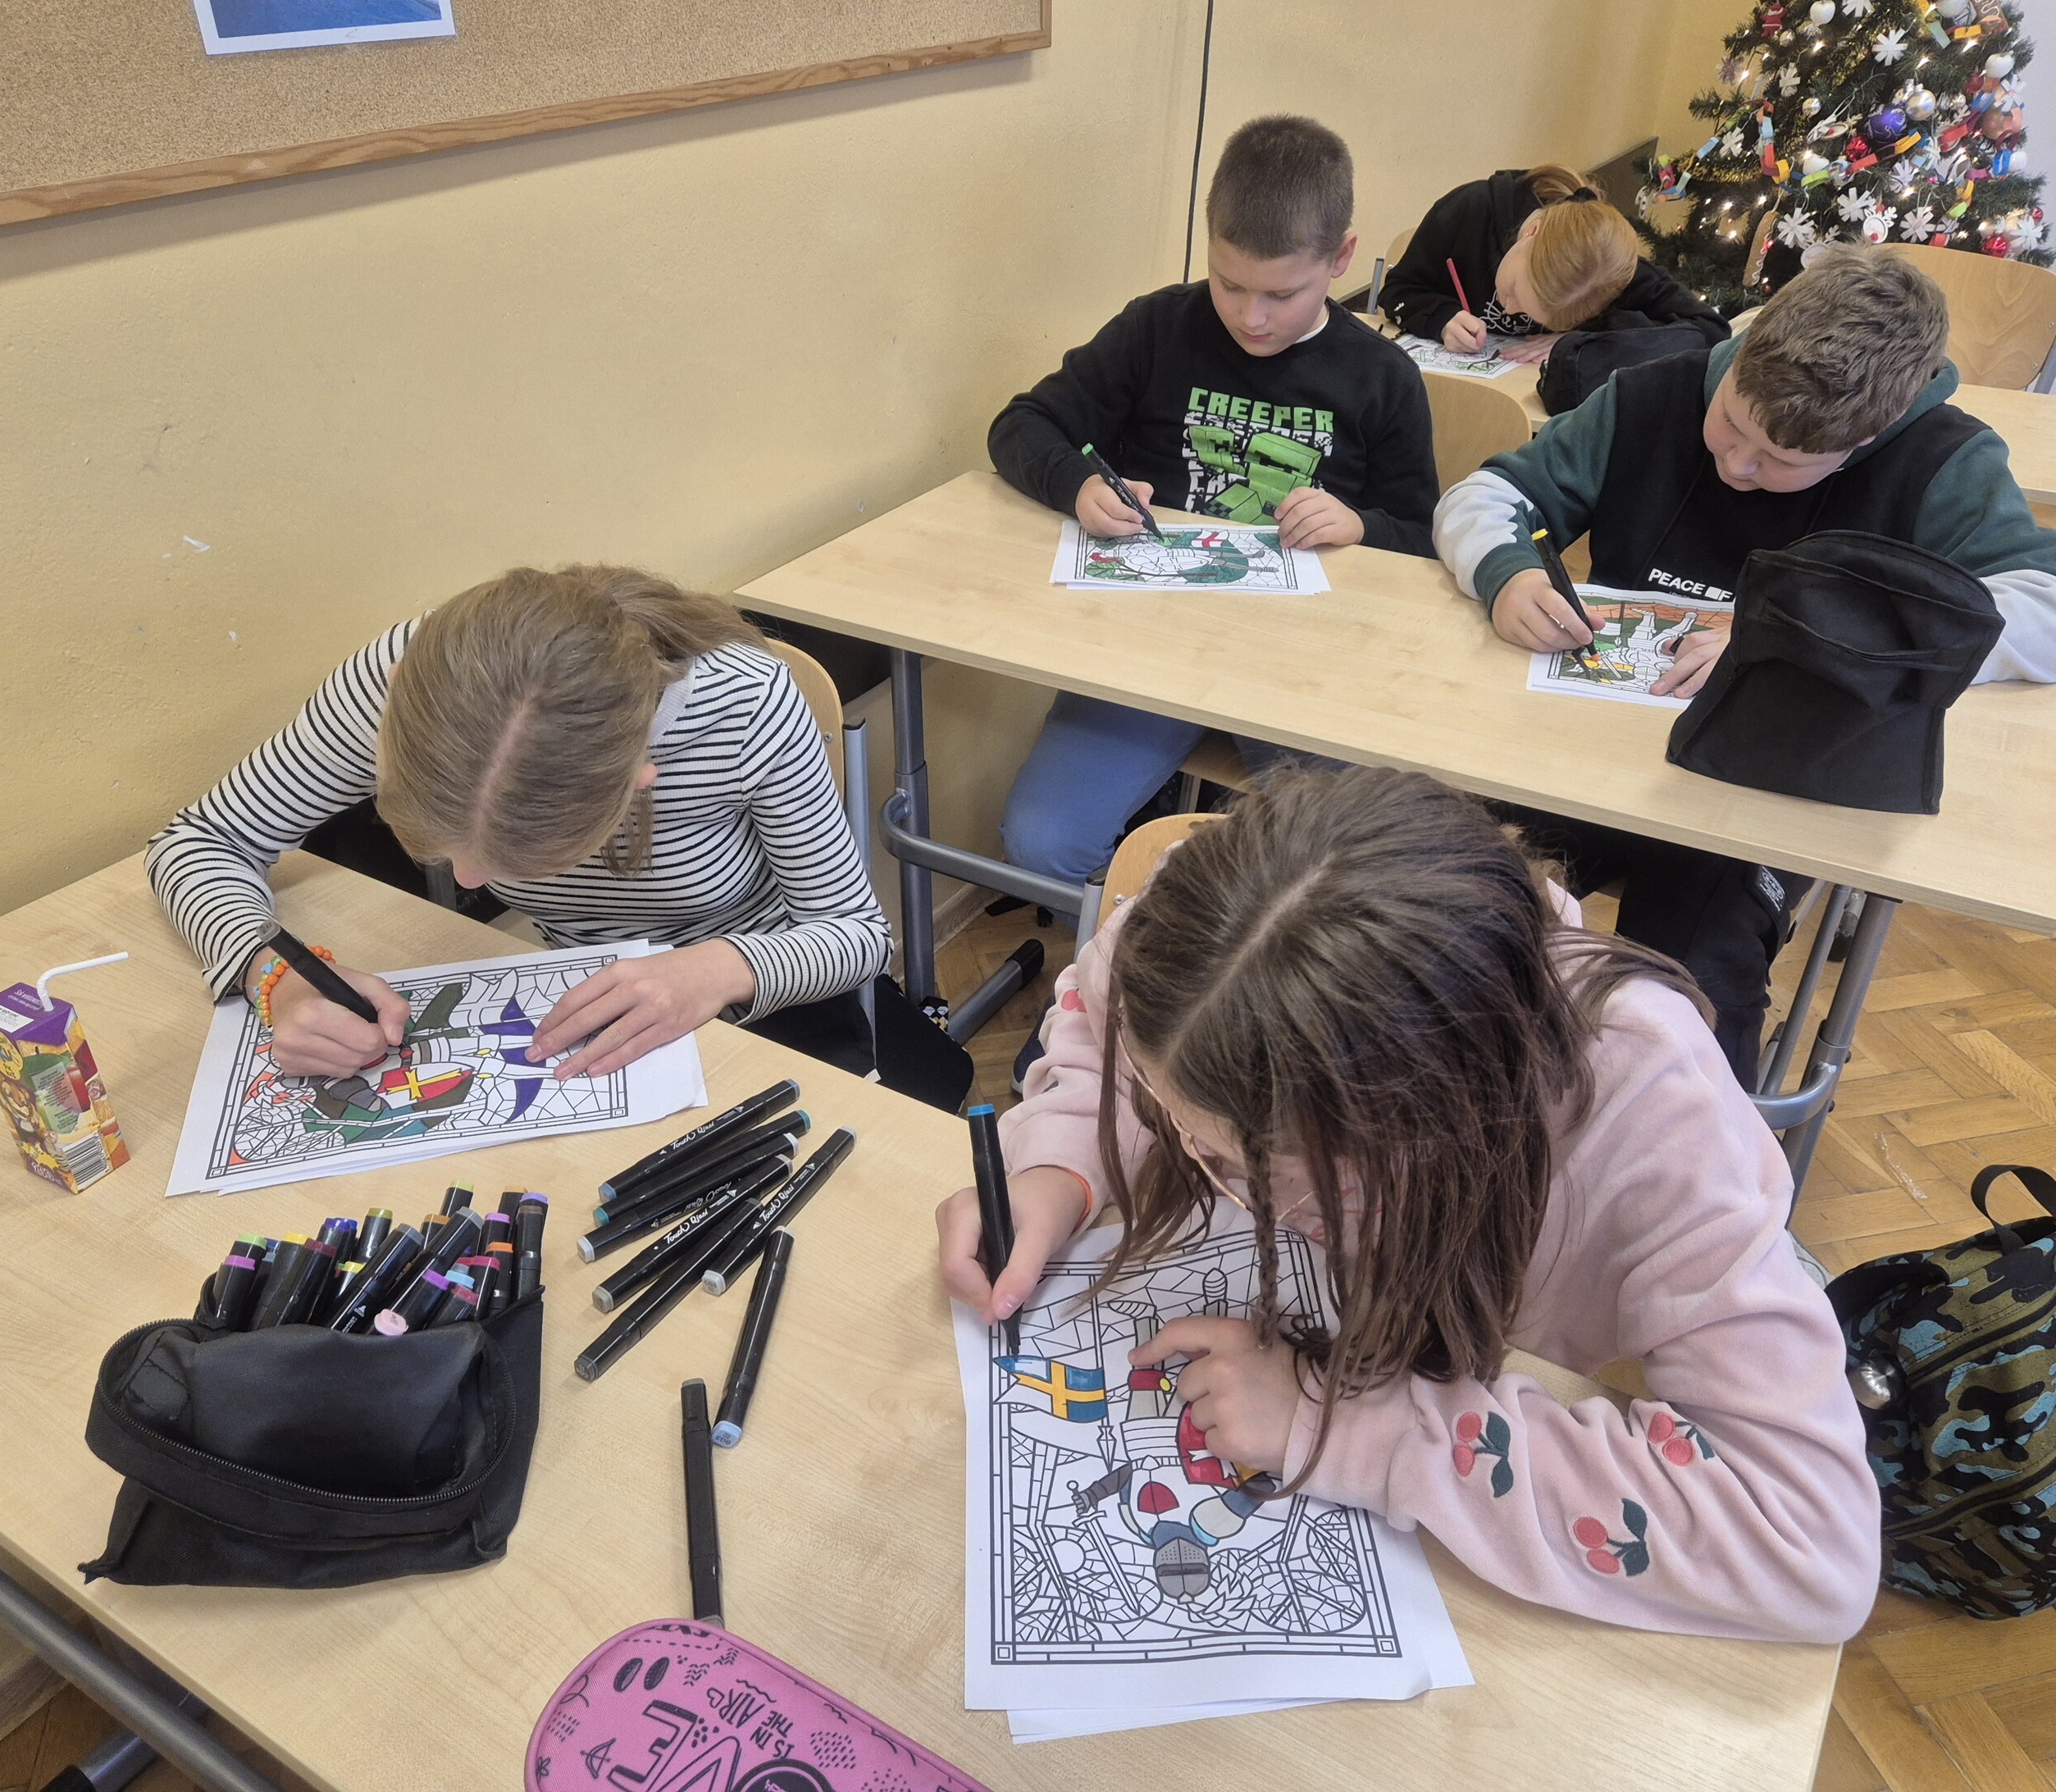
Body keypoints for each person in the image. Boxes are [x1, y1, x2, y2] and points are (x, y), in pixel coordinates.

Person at [938, 768, 1880, 1644]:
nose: (1189, 1154)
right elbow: (1105, 1030)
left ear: (1443, 1118)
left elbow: (1809, 1546)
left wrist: (1343, 1425)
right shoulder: (1203, 931)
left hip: (1469, 1412)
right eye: (1176, 1120)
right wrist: (1058, 1167)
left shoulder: (1652, 1109)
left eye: (1248, 1160)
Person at [1433, 244, 2056, 1084]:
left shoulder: (1944, 460)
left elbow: (2041, 607)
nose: (1736, 466)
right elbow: (1486, 495)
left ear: (1864, 438)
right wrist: (1504, 571)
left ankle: (1687, 1145)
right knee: (1449, 891)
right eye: (1730, 424)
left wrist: (1801, 634)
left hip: (1769, 794)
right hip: (1588, 753)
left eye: (1780, 462)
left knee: (1694, 973)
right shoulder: (1653, 395)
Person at [147, 564, 892, 1078]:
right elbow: (202, 839)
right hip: (574, 1005)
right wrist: (274, 972)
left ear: (637, 779)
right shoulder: (401, 685)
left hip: (763, 998)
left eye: (525, 860)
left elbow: (857, 934)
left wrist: (715, 970)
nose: (469, 880)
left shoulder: (745, 705)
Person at [988, 114, 1438, 901]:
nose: (1250, 317)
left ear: (1340, 259)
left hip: (1304, 669)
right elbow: (1021, 425)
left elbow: (1427, 542)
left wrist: (1362, 526)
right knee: (1040, 841)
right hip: (1151, 648)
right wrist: (1080, 484)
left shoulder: (1380, 376)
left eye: (1281, 294)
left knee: (1332, 883)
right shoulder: (1158, 328)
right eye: (1229, 284)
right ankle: (1132, 945)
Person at [1378, 165, 1726, 412]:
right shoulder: (1470, 210)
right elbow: (1398, 289)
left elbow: (1709, 331)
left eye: (1536, 315)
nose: (1509, 309)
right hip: (1445, 400)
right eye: (1514, 291)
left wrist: (1586, 337)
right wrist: (1441, 318)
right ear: (1531, 232)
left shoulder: (1607, 271)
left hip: (1526, 412)